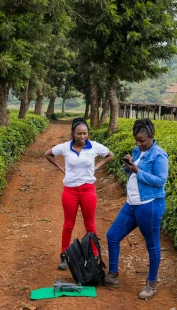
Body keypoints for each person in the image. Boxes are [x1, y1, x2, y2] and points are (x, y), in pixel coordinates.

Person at [105, 118, 168, 300]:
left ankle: (151, 284)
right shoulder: (136, 150)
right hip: (132, 204)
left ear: (151, 136)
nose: (139, 144)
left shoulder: (159, 155)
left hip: (149, 205)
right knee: (112, 236)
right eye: (137, 140)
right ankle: (113, 275)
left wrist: (137, 171)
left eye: (142, 141)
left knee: (152, 245)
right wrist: (128, 167)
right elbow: (132, 172)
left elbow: (161, 181)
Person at [45, 117, 114, 270]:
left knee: (89, 225)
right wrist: (61, 169)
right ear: (73, 134)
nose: (82, 137)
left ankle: (95, 254)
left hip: (88, 190)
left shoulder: (94, 147)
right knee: (68, 224)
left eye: (85, 133)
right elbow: (48, 154)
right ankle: (64, 255)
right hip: (70, 191)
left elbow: (110, 155)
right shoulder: (64, 147)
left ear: (88, 134)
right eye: (79, 134)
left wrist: (97, 166)